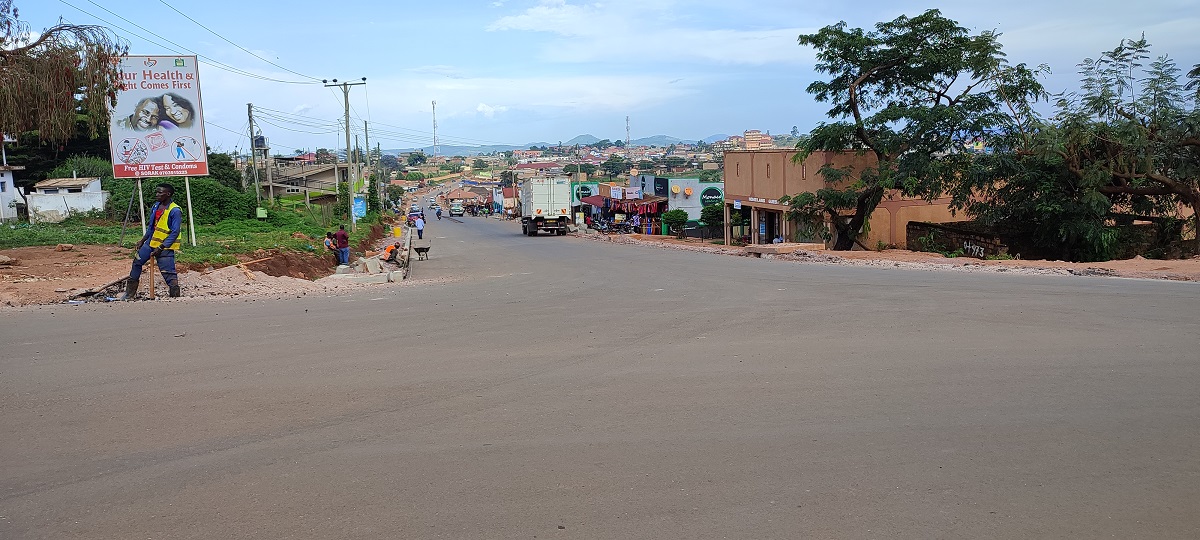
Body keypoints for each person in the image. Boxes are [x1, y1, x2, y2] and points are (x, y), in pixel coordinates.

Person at [122, 183, 182, 299]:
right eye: (157, 192)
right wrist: (142, 240)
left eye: (160, 192)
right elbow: (151, 227)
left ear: (168, 194)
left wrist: (161, 247)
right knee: (137, 262)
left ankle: (175, 297)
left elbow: (175, 232)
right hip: (150, 243)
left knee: (168, 272)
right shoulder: (156, 206)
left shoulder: (175, 210)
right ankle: (129, 293)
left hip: (165, 247)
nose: (157, 194)